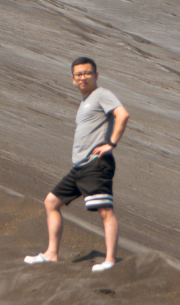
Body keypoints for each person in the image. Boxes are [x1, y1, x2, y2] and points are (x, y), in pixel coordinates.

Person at [24, 57, 129, 272]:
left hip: (96, 164)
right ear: (72, 79)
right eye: (79, 74)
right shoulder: (86, 101)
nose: (83, 77)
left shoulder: (102, 94)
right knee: (51, 202)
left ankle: (110, 261)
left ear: (96, 76)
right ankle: (51, 254)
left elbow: (122, 114)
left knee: (105, 211)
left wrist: (111, 143)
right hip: (79, 167)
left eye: (87, 73)